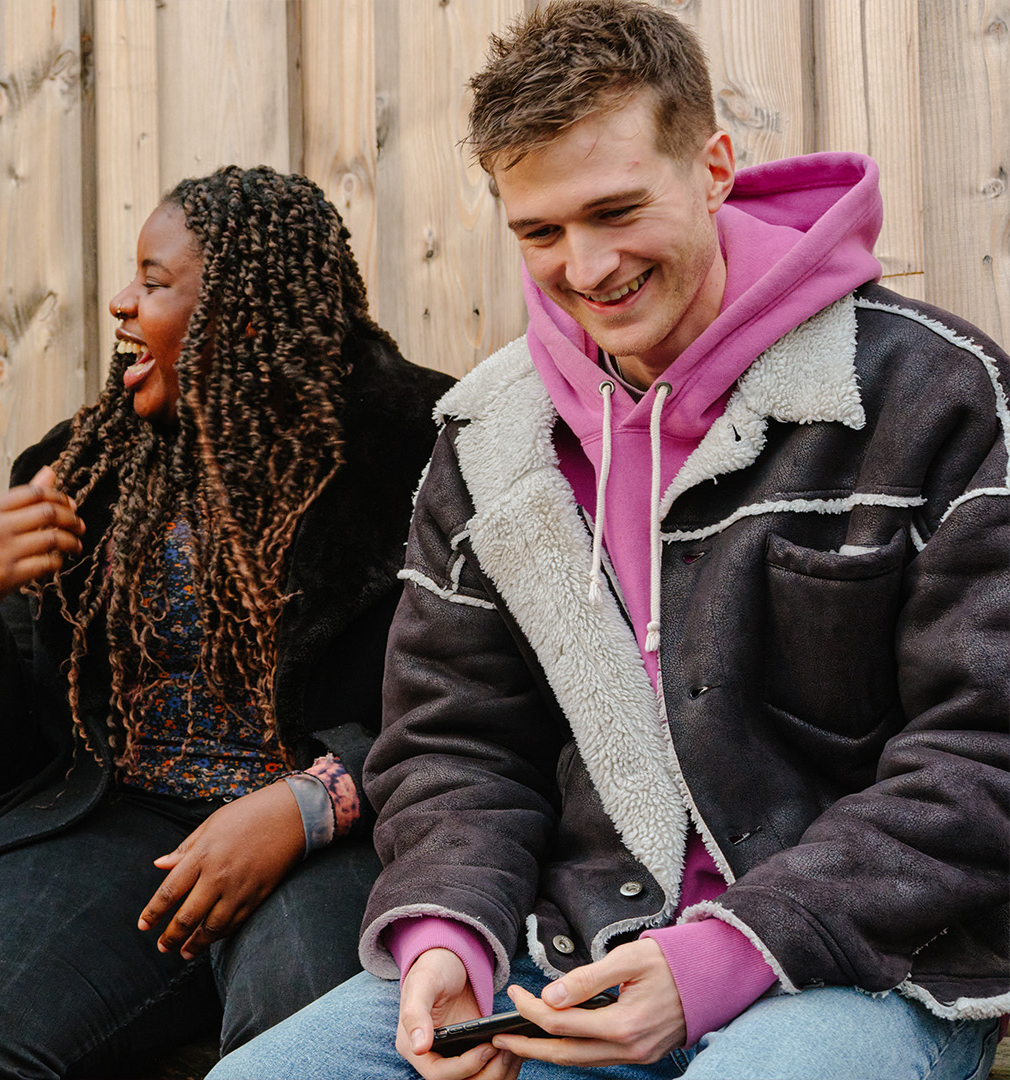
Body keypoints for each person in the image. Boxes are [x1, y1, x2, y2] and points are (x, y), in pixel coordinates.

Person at [209, 3, 1009, 1079]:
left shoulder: (936, 396)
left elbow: (983, 752)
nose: (585, 268)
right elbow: (453, 740)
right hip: (567, 953)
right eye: (539, 231)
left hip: (864, 962)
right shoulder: (495, 436)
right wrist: (447, 933)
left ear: (714, 166)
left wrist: (720, 957)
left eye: (616, 209)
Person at [0, 166, 456, 1078]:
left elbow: (477, 703)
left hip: (345, 828)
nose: (119, 304)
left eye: (155, 281)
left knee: (309, 1033)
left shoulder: (420, 452)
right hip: (125, 819)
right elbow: (4, 767)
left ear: (246, 314)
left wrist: (307, 805)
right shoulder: (80, 472)